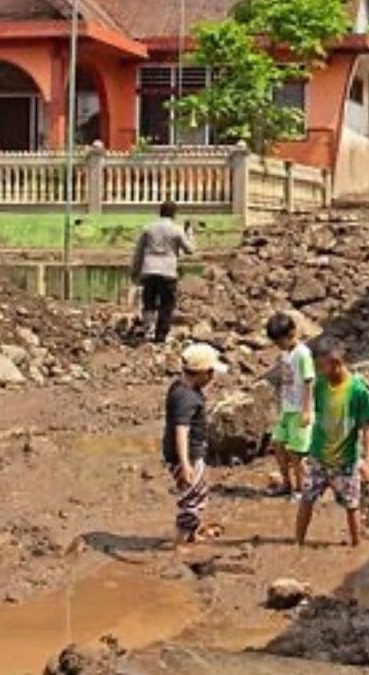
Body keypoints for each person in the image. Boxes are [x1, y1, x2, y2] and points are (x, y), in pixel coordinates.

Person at [295, 336, 369, 548]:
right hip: (318, 456)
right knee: (306, 499)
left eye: (322, 367)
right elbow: (309, 390)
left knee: (352, 505)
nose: (319, 372)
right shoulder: (321, 384)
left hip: (345, 460)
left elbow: (368, 426)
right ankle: (297, 544)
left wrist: (367, 462)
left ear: (335, 363)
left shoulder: (358, 391)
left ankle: (356, 546)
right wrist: (305, 411)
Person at [163, 342, 226, 546]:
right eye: (210, 373)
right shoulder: (187, 397)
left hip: (188, 454)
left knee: (197, 492)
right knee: (193, 497)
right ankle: (181, 541)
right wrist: (186, 463)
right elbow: (181, 430)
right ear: (201, 373)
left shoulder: (180, 387)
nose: (212, 378)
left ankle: (190, 534)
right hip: (187, 455)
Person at [130, 200, 195, 344]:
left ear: (160, 212)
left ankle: (148, 331)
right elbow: (190, 250)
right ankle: (161, 335)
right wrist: (189, 233)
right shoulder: (177, 230)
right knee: (166, 304)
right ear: (174, 214)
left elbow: (138, 252)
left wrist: (135, 270)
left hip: (149, 270)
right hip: (168, 271)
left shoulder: (148, 228)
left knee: (149, 301)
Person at [266, 312, 316, 498]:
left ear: (292, 333)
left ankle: (301, 489)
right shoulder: (285, 354)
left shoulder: (303, 354)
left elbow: (309, 381)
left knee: (297, 453)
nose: (279, 346)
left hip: (299, 409)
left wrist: (306, 410)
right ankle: (286, 483)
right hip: (287, 408)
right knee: (278, 444)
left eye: (280, 341)